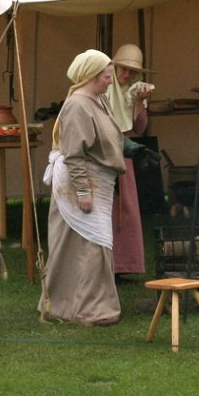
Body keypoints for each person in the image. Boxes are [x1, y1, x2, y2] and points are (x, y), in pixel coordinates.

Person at [40, 49, 125, 327]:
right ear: (91, 75)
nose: (110, 81)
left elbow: (107, 136)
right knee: (90, 245)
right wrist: (83, 191)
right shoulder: (77, 105)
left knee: (91, 244)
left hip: (96, 178)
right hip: (80, 181)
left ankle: (73, 306)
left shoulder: (98, 100)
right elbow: (75, 152)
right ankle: (88, 309)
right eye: (106, 76)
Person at [104, 43, 154, 274]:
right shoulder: (102, 88)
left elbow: (139, 128)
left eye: (131, 71)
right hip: (103, 154)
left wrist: (137, 102)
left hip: (125, 154)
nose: (126, 75)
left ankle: (122, 265)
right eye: (122, 69)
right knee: (106, 210)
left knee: (126, 210)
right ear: (113, 67)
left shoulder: (134, 93)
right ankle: (105, 265)